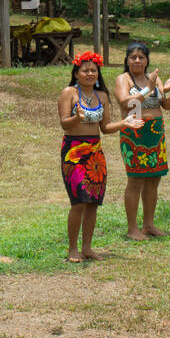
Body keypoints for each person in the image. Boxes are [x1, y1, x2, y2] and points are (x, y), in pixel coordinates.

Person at [59, 51, 144, 263]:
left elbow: (105, 127)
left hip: (95, 152)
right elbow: (63, 123)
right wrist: (75, 118)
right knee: (78, 201)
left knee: (92, 202)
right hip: (74, 151)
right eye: (85, 70)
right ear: (76, 73)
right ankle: (72, 249)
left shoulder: (102, 96)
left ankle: (87, 248)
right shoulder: (69, 93)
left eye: (93, 70)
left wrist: (124, 123)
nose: (90, 73)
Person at [114, 43, 170, 240]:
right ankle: (132, 228)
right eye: (133, 57)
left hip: (155, 132)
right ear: (127, 60)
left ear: (147, 60)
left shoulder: (153, 78)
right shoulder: (123, 79)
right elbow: (126, 103)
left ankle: (148, 224)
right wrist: (148, 89)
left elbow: (166, 105)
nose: (137, 60)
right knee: (136, 180)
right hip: (135, 133)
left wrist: (166, 90)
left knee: (153, 179)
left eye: (141, 57)